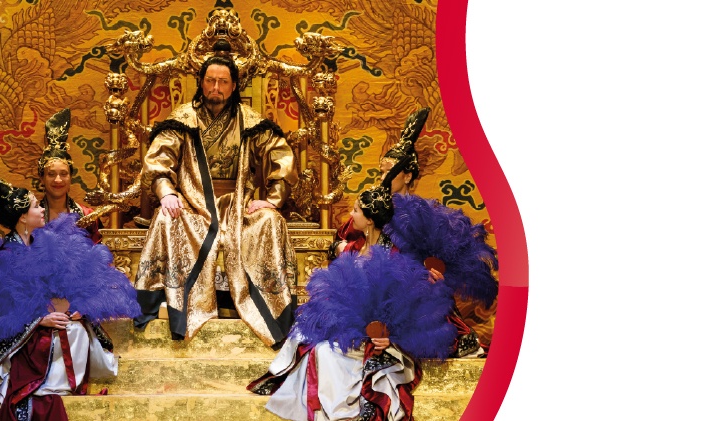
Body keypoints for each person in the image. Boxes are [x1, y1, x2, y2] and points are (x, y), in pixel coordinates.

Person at [134, 54, 297, 348]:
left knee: (270, 220)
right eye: (210, 81)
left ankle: (269, 306)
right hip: (193, 203)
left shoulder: (250, 122)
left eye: (223, 82)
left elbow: (281, 157)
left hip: (238, 205)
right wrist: (167, 192)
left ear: (234, 86)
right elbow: (159, 161)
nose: (216, 88)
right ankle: (168, 300)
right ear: (201, 82)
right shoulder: (182, 119)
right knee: (166, 217)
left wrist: (272, 200)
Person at [255, 186, 457, 421]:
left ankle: (337, 410)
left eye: (356, 210)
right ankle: (287, 380)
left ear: (369, 220)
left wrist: (389, 336)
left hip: (377, 337)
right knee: (303, 333)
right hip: (350, 327)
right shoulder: (353, 248)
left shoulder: (394, 254)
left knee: (324, 352)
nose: (351, 215)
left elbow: (406, 303)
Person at [0, 164, 139, 421]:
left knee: (77, 328)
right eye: (36, 206)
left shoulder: (43, 243)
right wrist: (40, 320)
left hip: (47, 320)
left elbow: (61, 287)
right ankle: (42, 384)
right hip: (21, 335)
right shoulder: (6, 255)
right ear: (23, 217)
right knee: (65, 332)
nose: (42, 210)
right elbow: (2, 311)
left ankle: (59, 382)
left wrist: (77, 308)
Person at [376, 108, 500, 357]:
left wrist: (436, 274)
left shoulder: (422, 213)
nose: (382, 178)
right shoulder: (377, 209)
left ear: (407, 176)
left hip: (417, 290)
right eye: (380, 171)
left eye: (388, 172)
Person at [35, 109, 96, 236]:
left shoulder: (87, 216)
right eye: (51, 174)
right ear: (42, 178)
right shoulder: (30, 218)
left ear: (71, 177)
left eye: (63, 174)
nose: (58, 180)